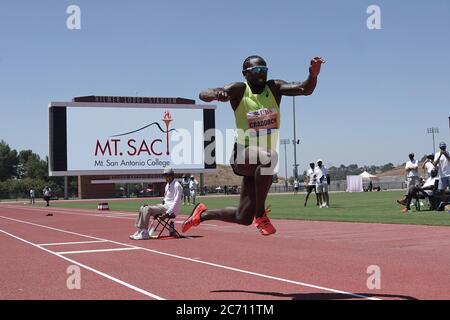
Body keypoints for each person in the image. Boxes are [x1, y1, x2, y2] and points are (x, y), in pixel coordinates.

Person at [182, 55, 324, 236]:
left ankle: (201, 214)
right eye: (256, 70)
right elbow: (204, 93)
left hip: (259, 164)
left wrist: (313, 74)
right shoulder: (239, 89)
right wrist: (217, 94)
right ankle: (261, 215)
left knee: (243, 217)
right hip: (242, 155)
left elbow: (305, 89)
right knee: (269, 158)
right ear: (245, 74)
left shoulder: (274, 87)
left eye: (264, 70)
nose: (261, 74)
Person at [130, 167, 182, 240]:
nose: (166, 177)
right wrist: (159, 206)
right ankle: (140, 230)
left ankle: (145, 233)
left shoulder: (177, 185)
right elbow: (165, 199)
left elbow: (176, 202)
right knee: (143, 207)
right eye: (165, 175)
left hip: (170, 210)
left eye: (168, 175)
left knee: (147, 209)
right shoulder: (167, 185)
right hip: (164, 206)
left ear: (172, 175)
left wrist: (167, 214)